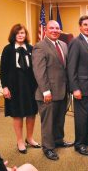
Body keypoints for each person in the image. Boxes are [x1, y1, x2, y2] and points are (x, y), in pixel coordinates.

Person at [32, 20, 73, 161]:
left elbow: (64, 68)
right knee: (48, 122)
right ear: (45, 30)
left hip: (62, 91)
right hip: (47, 93)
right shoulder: (40, 47)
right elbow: (39, 71)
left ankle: (58, 140)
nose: (55, 30)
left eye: (57, 28)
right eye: (51, 28)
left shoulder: (64, 45)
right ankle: (48, 148)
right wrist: (45, 91)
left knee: (59, 119)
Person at [0, 24, 40, 154]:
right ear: (14, 35)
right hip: (14, 86)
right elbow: (3, 70)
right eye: (18, 33)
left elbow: (36, 67)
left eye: (22, 33)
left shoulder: (31, 48)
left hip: (30, 85)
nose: (20, 35)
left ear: (25, 34)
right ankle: (20, 141)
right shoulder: (8, 49)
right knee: (17, 114)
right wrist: (5, 87)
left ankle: (29, 138)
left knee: (31, 113)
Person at [67, 15, 88, 156]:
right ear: (80, 26)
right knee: (81, 117)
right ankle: (79, 144)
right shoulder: (76, 42)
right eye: (85, 25)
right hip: (81, 88)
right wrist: (75, 88)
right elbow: (71, 67)